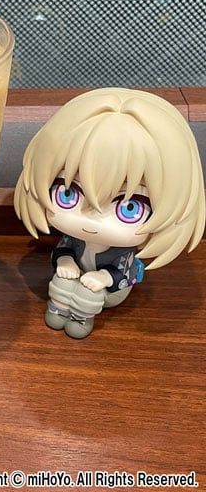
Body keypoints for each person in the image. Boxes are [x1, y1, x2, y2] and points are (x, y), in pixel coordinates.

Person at [14, 88, 205, 338]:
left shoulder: (122, 253)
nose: (92, 221)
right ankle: (58, 311)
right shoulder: (73, 239)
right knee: (62, 282)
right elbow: (63, 250)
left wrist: (103, 278)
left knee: (88, 293)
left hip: (110, 292)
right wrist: (65, 262)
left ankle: (81, 320)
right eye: (68, 193)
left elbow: (123, 273)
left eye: (129, 208)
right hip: (74, 278)